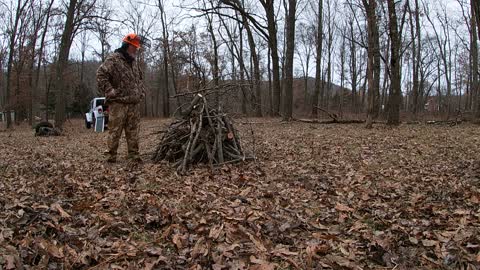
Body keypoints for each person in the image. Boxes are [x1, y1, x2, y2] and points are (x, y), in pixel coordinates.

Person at [96, 33, 150, 163]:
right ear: (127, 45)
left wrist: (141, 92)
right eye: (134, 47)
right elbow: (100, 74)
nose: (136, 49)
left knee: (133, 132)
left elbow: (139, 79)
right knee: (115, 132)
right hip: (118, 104)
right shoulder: (114, 59)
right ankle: (111, 156)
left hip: (134, 104)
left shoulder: (134, 62)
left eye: (137, 47)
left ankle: (134, 156)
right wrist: (109, 90)